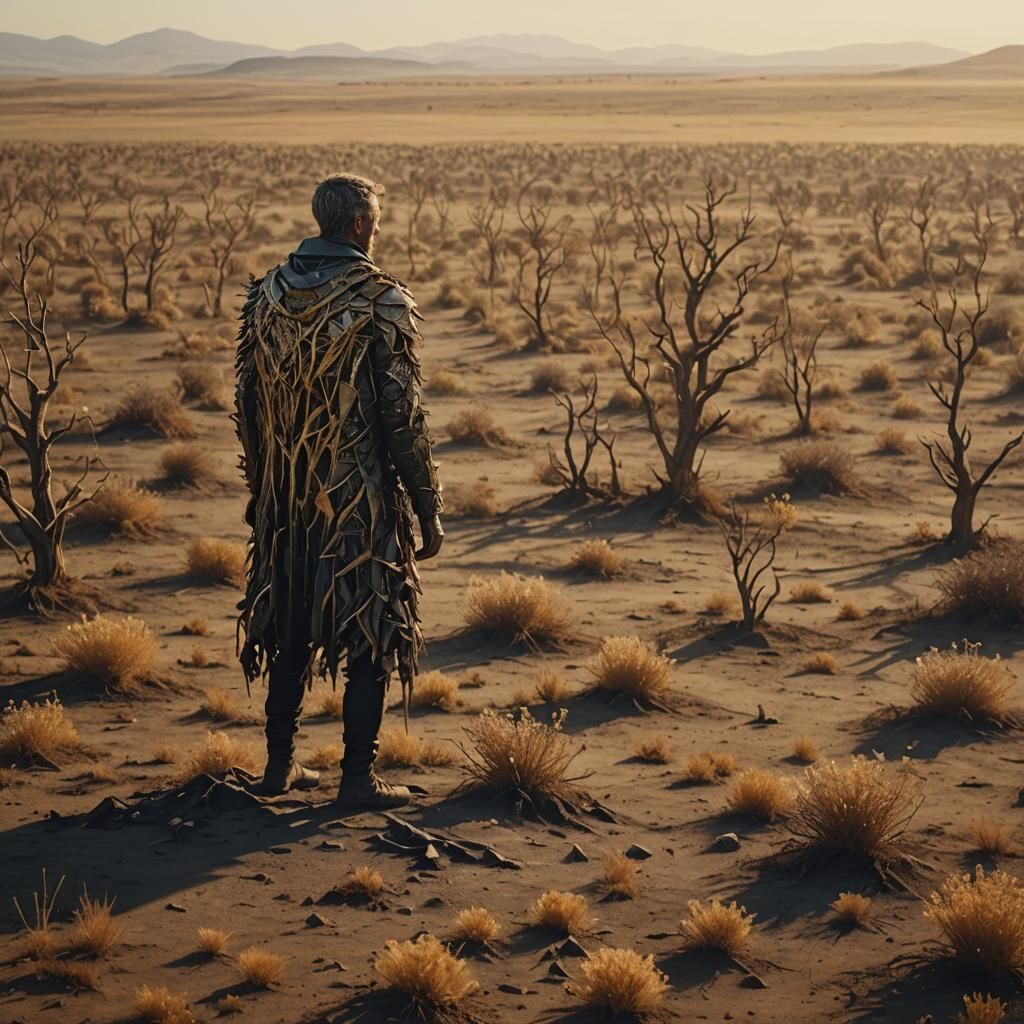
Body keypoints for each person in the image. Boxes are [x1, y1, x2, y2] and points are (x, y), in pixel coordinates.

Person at [233, 174, 444, 809]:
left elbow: (247, 403)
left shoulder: (266, 294)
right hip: (359, 501)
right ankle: (357, 779)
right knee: (372, 625)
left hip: (285, 500)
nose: (377, 231)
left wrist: (262, 483)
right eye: (375, 222)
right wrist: (427, 505)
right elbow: (402, 417)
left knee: (287, 616)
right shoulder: (382, 301)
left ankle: (278, 766)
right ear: (357, 224)